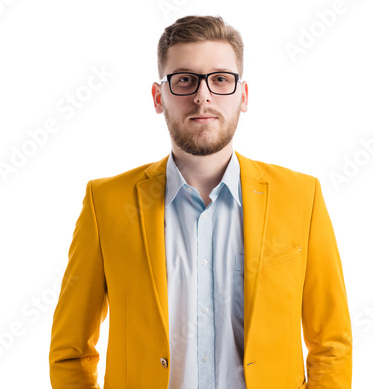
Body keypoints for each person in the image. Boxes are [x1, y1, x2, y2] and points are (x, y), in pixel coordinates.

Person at [48, 15, 352, 389]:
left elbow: (331, 343)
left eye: (220, 79)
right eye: (185, 79)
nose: (202, 95)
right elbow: (70, 350)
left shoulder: (301, 197)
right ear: (159, 97)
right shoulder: (106, 204)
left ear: (243, 96)